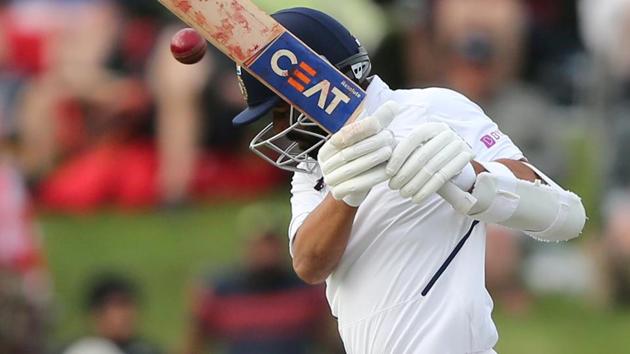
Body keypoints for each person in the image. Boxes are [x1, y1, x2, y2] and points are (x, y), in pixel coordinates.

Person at [178, 7, 586, 354]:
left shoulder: (435, 108)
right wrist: (345, 195)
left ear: (325, 81)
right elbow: (308, 263)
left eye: (281, 109)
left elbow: (565, 216)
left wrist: (470, 177)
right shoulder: (315, 168)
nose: (278, 126)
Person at [181, 229, 340, 354]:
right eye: (260, 246)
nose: (266, 253)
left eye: (271, 245)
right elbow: (194, 342)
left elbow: (328, 338)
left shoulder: (304, 290)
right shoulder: (222, 293)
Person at [62, 274, 161, 354]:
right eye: (116, 306)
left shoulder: (146, 349)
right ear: (95, 315)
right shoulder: (83, 349)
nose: (124, 316)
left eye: (127, 305)